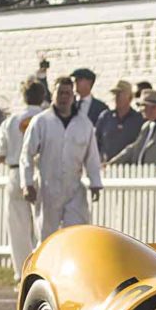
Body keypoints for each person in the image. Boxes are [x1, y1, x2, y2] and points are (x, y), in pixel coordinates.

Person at [20, 76, 103, 242]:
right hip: (48, 188)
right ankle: (45, 268)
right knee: (47, 237)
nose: (64, 97)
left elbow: (92, 156)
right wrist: (27, 183)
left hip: (74, 189)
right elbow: (27, 154)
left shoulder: (84, 124)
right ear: (53, 95)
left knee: (77, 234)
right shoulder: (41, 122)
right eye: (60, 93)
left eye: (67, 93)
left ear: (73, 96)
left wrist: (95, 183)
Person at [0, 80, 48, 279]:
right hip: (40, 171)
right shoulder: (46, 119)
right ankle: (42, 268)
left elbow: (0, 154)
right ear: (42, 97)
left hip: (16, 172)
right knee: (43, 223)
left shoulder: (10, 121)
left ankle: (22, 272)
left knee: (18, 227)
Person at [93, 80, 141, 163]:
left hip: (130, 169)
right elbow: (95, 141)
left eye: (120, 94)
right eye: (115, 94)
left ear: (129, 97)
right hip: (106, 166)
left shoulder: (138, 119)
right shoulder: (106, 117)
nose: (117, 97)